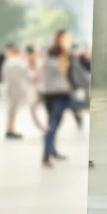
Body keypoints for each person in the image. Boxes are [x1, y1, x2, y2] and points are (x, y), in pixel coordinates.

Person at [40, 29, 76, 166]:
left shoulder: (47, 53)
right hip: (60, 93)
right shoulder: (63, 55)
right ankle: (46, 154)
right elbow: (65, 71)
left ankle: (51, 151)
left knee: (52, 123)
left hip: (48, 92)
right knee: (54, 124)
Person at [2, 44, 32, 139]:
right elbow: (28, 76)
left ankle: (10, 128)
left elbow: (3, 75)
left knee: (11, 109)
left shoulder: (8, 62)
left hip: (10, 87)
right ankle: (10, 129)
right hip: (19, 87)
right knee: (13, 109)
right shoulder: (21, 62)